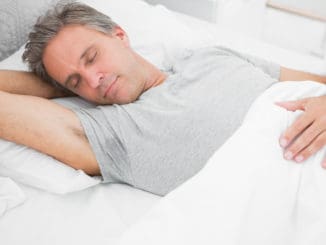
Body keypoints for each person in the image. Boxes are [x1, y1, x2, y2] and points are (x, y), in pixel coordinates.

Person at [0, 2, 325, 195]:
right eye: (75, 81)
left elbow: (317, 83)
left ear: (120, 36)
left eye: (91, 57)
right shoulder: (111, 133)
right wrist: (62, 86)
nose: (92, 78)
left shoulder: (212, 55)